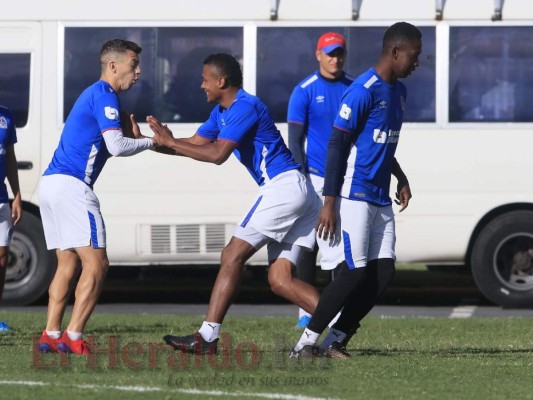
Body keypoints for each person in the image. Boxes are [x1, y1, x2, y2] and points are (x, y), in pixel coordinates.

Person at [146, 53, 322, 355]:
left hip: (284, 188)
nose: (201, 85)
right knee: (280, 280)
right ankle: (343, 325)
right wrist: (146, 142)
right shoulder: (221, 112)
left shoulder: (245, 106)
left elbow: (217, 155)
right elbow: (194, 146)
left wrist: (172, 142)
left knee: (231, 255)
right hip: (299, 192)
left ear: (221, 81)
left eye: (204, 79)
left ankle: (207, 337)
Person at [290, 21, 420, 358]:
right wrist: (329, 202)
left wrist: (400, 176)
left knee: (384, 272)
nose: (417, 63)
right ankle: (305, 344)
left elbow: (381, 144)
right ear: (395, 52)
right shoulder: (363, 90)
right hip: (354, 194)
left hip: (379, 196)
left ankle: (338, 338)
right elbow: (337, 144)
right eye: (414, 56)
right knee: (352, 273)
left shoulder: (400, 92)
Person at [37, 39, 164, 355]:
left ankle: (51, 335)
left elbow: (116, 141)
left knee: (66, 263)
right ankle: (74, 336)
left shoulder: (94, 95)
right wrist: (152, 143)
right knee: (97, 263)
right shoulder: (105, 95)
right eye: (133, 65)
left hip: (51, 184)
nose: (138, 72)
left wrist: (135, 139)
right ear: (113, 65)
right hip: (73, 187)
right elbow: (117, 147)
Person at [287, 32, 354, 328]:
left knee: (340, 243)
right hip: (314, 177)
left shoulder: (353, 89)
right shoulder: (305, 90)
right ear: (318, 55)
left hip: (346, 178)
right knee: (308, 243)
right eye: (329, 53)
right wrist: (301, 178)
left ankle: (337, 308)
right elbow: (295, 139)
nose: (335, 59)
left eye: (339, 53)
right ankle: (306, 310)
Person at [0, 106, 22, 333]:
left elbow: (10, 158)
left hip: (2, 197)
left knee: (3, 259)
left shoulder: (7, 115)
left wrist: (16, 194)